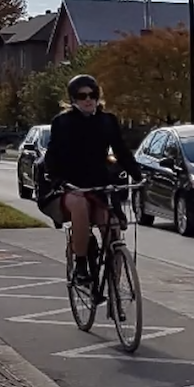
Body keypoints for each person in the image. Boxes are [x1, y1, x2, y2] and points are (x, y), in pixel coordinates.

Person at [39, 74, 142, 284]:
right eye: (82, 95)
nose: (88, 99)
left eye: (93, 95)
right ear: (73, 99)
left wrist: (138, 175)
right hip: (69, 186)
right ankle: (81, 264)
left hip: (99, 185)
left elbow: (121, 151)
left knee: (111, 225)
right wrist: (56, 178)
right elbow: (52, 156)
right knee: (80, 206)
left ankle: (114, 285)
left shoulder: (107, 120)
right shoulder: (62, 122)